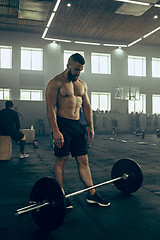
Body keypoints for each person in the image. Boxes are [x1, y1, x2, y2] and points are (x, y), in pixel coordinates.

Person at [46, 53, 110, 208]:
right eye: (76, 69)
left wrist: (90, 126)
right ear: (68, 65)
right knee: (61, 160)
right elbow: (50, 108)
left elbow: (86, 106)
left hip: (77, 126)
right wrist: (55, 130)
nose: (78, 73)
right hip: (63, 125)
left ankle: (92, 195)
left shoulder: (82, 84)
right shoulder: (56, 82)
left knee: (83, 160)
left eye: (81, 70)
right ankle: (61, 195)